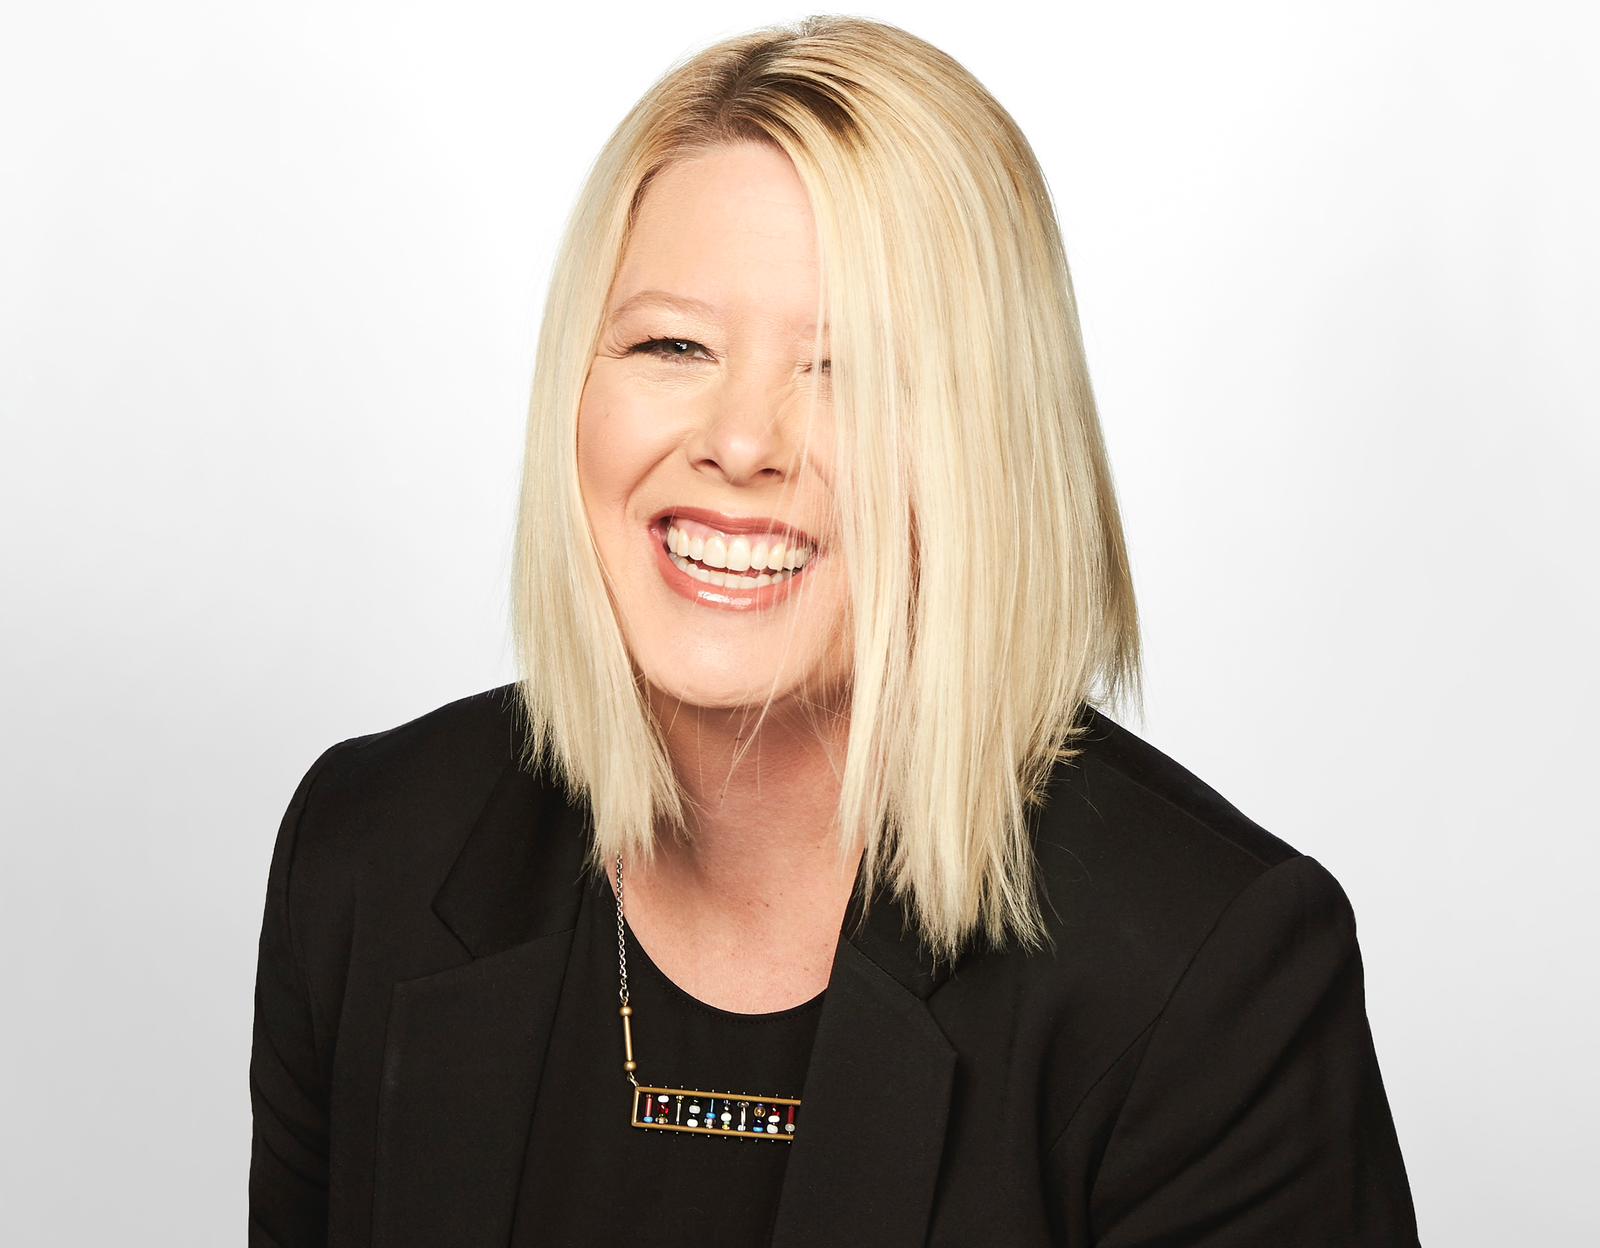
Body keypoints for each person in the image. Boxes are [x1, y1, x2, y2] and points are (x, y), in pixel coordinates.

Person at [249, 15, 1421, 1247]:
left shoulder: (1206, 976)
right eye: (672, 343)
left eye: (847, 369)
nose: (742, 442)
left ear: (989, 447)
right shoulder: (371, 852)